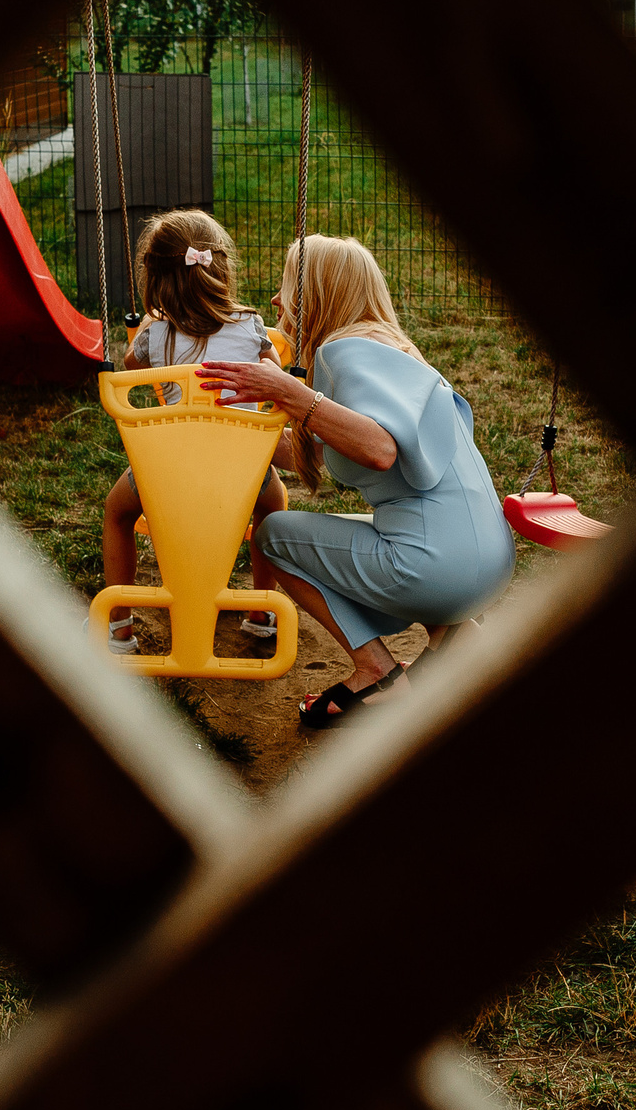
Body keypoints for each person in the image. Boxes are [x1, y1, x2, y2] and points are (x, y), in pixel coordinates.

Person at [195, 236, 515, 727]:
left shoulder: (342, 351)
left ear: (316, 293)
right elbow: (329, 448)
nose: (277, 301)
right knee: (337, 535)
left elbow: (380, 449)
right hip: (487, 561)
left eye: (286, 288)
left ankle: (378, 675)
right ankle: (456, 638)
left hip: (436, 566)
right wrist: (230, 432)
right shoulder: (392, 351)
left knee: (275, 537)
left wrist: (292, 394)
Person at [101, 210, 289, 655]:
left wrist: (151, 333)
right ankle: (261, 614)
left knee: (117, 512)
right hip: (242, 471)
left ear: (155, 281)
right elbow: (277, 375)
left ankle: (120, 626)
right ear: (219, 268)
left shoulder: (155, 335)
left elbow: (132, 368)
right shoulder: (252, 326)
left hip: (166, 474)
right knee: (274, 504)